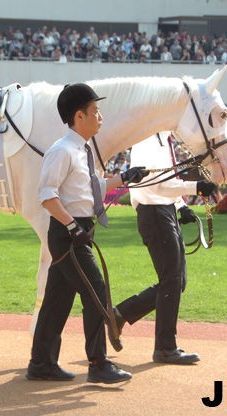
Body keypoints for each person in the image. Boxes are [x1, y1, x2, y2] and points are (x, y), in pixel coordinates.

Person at [26, 83, 148, 384]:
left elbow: (93, 188)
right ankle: (98, 363)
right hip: (69, 234)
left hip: (75, 230)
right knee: (96, 292)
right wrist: (71, 225)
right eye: (95, 111)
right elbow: (46, 196)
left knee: (57, 299)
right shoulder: (62, 150)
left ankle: (41, 363)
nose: (100, 116)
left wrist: (125, 178)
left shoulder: (81, 149)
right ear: (79, 116)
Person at [111, 132, 217, 365]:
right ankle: (164, 347)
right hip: (154, 213)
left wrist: (180, 206)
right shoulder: (148, 140)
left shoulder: (161, 137)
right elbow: (157, 185)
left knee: (177, 281)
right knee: (172, 280)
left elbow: (166, 180)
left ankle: (121, 314)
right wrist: (196, 187)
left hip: (163, 211)